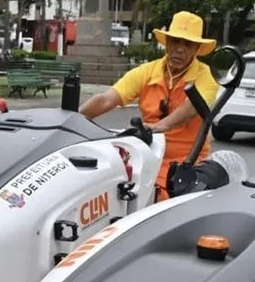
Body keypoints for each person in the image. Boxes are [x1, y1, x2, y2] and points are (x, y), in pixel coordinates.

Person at [79, 11, 220, 200]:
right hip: (147, 153)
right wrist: (72, 118)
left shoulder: (206, 77)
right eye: (175, 41)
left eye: (187, 44)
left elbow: (189, 109)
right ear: (166, 43)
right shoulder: (147, 71)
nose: (179, 49)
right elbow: (106, 99)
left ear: (196, 49)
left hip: (187, 161)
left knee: (158, 200)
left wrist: (157, 127)